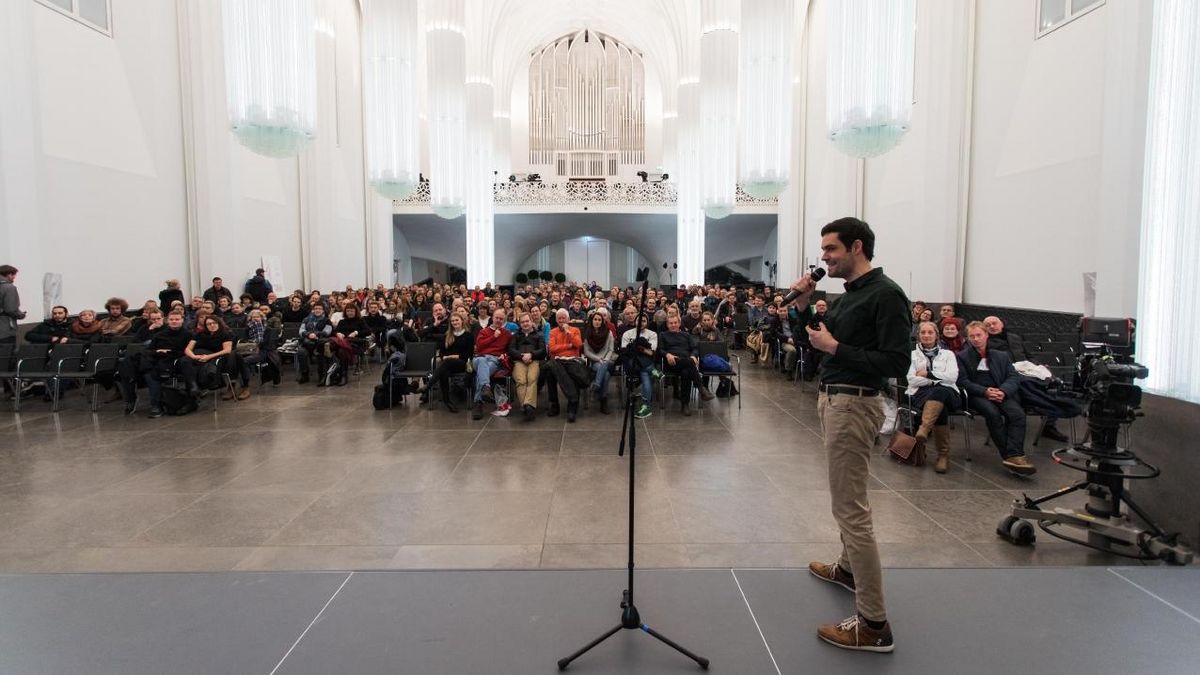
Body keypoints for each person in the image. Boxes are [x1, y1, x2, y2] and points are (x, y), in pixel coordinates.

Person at [787, 217, 909, 653]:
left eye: (830, 250)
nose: (823, 258)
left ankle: (874, 624)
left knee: (850, 509)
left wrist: (836, 349)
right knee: (846, 496)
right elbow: (815, 341)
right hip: (836, 399)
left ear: (856, 247)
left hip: (855, 403)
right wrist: (802, 305)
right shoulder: (850, 295)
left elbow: (896, 363)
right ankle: (847, 569)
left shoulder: (887, 295)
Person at [957, 321, 1036, 475]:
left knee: (1017, 415)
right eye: (972, 336)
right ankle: (1011, 456)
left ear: (986, 335)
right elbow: (962, 381)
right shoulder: (962, 357)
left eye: (979, 335)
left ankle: (1014, 455)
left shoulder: (1001, 355)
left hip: (1000, 392)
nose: (976, 339)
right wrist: (985, 391)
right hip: (978, 394)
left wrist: (1004, 391)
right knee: (992, 414)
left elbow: (1013, 376)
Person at [905, 321, 963, 473]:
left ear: (937, 335)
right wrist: (937, 379)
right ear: (918, 336)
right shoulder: (912, 355)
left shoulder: (948, 354)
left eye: (930, 332)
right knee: (940, 406)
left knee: (941, 392)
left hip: (949, 393)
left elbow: (952, 378)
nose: (926, 335)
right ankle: (943, 455)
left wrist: (927, 374)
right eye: (923, 332)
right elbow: (911, 379)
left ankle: (924, 429)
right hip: (921, 393)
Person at [657, 314, 715, 415]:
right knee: (690, 364)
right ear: (667, 324)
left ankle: (685, 405)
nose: (673, 325)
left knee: (686, 372)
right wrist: (667, 354)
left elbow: (694, 348)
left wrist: (693, 355)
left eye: (675, 323)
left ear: (679, 323)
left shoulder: (686, 335)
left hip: (686, 362)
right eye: (671, 323)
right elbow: (660, 350)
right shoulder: (663, 335)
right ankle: (701, 388)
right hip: (672, 363)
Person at [181, 315, 245, 399]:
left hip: (215, 356)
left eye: (214, 323)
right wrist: (193, 356)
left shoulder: (225, 334)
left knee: (200, 366)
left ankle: (197, 388)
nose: (212, 325)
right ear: (206, 326)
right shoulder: (199, 334)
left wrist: (209, 356)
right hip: (197, 356)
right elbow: (188, 349)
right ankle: (194, 386)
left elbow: (227, 350)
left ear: (219, 323)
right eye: (209, 324)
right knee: (184, 360)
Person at [141, 311, 192, 417]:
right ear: (167, 320)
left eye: (177, 319)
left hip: (177, 362)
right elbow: (149, 350)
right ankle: (156, 406)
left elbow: (188, 352)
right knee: (148, 372)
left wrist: (169, 352)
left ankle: (157, 405)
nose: (174, 321)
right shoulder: (159, 335)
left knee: (152, 373)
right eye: (171, 319)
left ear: (182, 320)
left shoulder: (188, 335)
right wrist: (158, 351)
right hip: (159, 360)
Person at [544, 308, 589, 422]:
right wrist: (568, 346)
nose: (561, 320)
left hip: (572, 360)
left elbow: (578, 344)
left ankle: (572, 407)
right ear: (556, 320)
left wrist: (568, 332)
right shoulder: (553, 332)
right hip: (558, 360)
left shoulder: (575, 330)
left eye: (564, 318)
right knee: (551, 369)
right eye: (559, 318)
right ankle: (557, 404)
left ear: (568, 319)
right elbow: (552, 349)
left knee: (559, 368)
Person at [471, 308, 512, 420]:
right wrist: (494, 337)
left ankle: (478, 402)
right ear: (492, 318)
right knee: (482, 361)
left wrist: (504, 355)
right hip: (479, 358)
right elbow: (479, 347)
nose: (498, 320)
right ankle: (486, 387)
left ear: (504, 320)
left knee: (483, 372)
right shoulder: (484, 331)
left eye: (501, 319)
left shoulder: (507, 334)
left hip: (494, 360)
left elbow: (509, 349)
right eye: (496, 318)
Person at [508, 312, 546, 421]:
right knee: (521, 380)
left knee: (532, 378)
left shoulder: (539, 335)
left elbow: (543, 350)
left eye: (527, 321)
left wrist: (531, 354)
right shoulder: (515, 335)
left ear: (531, 322)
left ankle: (527, 405)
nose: (525, 324)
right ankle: (527, 406)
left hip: (534, 360)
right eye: (522, 322)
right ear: (520, 324)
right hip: (519, 361)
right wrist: (521, 356)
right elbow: (511, 350)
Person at [620, 313, 659, 419]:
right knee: (645, 369)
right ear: (635, 322)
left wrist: (635, 347)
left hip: (646, 361)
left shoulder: (652, 334)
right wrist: (642, 349)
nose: (641, 323)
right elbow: (625, 351)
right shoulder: (627, 334)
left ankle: (646, 406)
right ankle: (654, 371)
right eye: (639, 321)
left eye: (643, 321)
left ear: (647, 322)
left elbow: (652, 353)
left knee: (645, 374)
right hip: (631, 363)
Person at [431, 313, 473, 412]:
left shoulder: (468, 335)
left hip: (462, 363)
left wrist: (454, 356)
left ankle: (429, 385)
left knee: (446, 363)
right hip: (448, 364)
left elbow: (469, 354)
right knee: (443, 373)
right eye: (453, 321)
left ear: (462, 321)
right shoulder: (448, 335)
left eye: (456, 320)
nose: (454, 322)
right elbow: (441, 352)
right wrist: (444, 356)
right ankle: (447, 401)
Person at [583, 310, 616, 415]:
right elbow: (586, 351)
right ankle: (603, 401)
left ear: (602, 321)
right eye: (595, 319)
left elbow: (611, 349)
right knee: (605, 375)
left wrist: (605, 360)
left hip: (608, 361)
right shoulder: (588, 333)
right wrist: (598, 359)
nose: (597, 321)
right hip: (595, 362)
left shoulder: (608, 332)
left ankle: (596, 385)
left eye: (599, 320)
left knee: (605, 366)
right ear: (592, 321)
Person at [296, 304, 332, 384]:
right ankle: (305, 375)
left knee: (320, 354)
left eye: (320, 308)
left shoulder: (326, 320)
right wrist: (308, 334)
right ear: (313, 310)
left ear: (323, 310)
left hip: (320, 343)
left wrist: (316, 334)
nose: (317, 310)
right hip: (307, 342)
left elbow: (327, 331)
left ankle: (322, 376)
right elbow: (301, 330)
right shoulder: (306, 319)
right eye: (316, 308)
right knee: (301, 352)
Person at [0, 265, 25, 347]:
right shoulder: (9, 287)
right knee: (7, 356)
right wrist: (21, 315)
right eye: (14, 275)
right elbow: (11, 309)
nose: (14, 277)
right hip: (4, 329)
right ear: (9, 274)